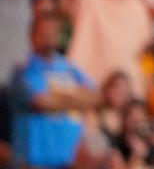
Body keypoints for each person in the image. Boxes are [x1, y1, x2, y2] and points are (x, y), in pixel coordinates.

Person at [10, 12, 98, 169]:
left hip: (67, 159)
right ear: (32, 36)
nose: (49, 37)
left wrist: (60, 99)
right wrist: (77, 99)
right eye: (44, 33)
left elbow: (96, 97)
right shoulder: (24, 69)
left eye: (53, 32)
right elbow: (41, 103)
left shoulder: (70, 68)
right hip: (34, 161)